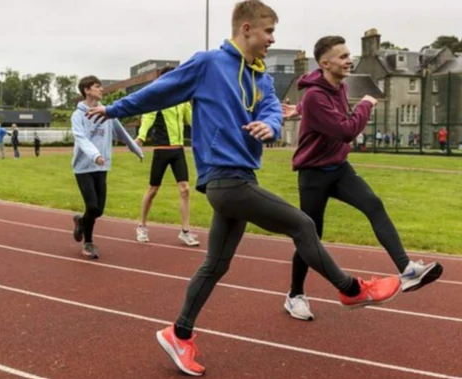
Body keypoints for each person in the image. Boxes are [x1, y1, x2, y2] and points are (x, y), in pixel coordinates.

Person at [86, 1, 401, 375]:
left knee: (215, 264)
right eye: (269, 32)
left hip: (243, 178)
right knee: (302, 224)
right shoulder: (208, 64)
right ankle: (351, 290)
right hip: (223, 178)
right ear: (247, 28)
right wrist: (114, 109)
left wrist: (268, 124)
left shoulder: (261, 78)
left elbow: (269, 108)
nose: (273, 39)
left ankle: (179, 333)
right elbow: (162, 91)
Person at [281, 36, 443, 322]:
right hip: (313, 174)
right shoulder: (315, 95)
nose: (348, 60)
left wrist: (300, 110)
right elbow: (345, 130)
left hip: (339, 168)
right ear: (325, 63)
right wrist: (366, 104)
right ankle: (295, 295)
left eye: (348, 55)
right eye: (342, 56)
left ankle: (407, 270)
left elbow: (324, 109)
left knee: (374, 204)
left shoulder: (337, 88)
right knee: (310, 235)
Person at [71, 75, 144, 259]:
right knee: (92, 206)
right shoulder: (78, 115)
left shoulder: (107, 113)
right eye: (97, 86)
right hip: (84, 167)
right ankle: (88, 243)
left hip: (102, 167)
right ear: (87, 90)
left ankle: (81, 220)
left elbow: (122, 133)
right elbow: (80, 138)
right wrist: (95, 155)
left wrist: (136, 150)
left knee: (99, 210)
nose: (101, 89)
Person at [134, 66, 198, 247]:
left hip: (178, 150)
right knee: (153, 189)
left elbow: (193, 120)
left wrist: (209, 133)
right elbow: (148, 118)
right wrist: (140, 137)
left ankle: (185, 231)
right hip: (161, 149)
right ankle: (141, 225)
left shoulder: (182, 99)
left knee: (185, 189)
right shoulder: (157, 98)